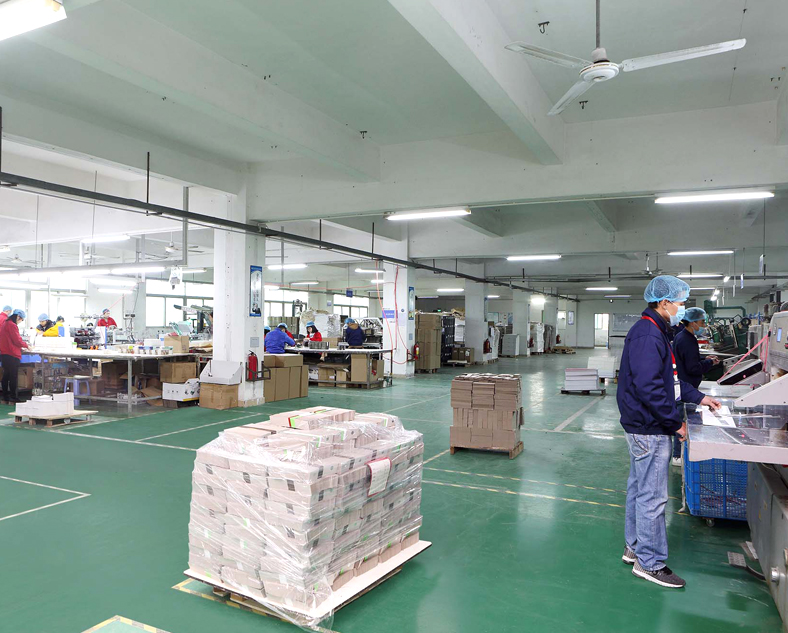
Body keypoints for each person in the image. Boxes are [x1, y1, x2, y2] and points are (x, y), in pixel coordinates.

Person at [617, 275, 721, 589]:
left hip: (644, 424)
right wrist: (676, 424)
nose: (682, 309)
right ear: (664, 302)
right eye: (680, 303)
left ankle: (635, 547)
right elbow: (649, 388)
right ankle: (650, 563)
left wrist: (700, 397)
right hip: (648, 428)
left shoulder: (657, 331)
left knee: (640, 489)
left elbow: (670, 381)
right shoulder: (648, 334)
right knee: (652, 496)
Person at [670, 307, 720, 466]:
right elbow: (692, 367)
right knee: (681, 421)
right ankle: (677, 456)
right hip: (684, 387)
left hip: (685, 385)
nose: (704, 325)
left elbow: (690, 359)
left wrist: (705, 359)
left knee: (681, 419)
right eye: (702, 322)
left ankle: (678, 454)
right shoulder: (687, 340)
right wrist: (709, 363)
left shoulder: (684, 336)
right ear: (692, 323)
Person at [0, 309, 31, 404]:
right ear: (18, 317)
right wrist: (27, 346)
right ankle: (13, 398)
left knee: (6, 375)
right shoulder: (12, 325)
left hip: (4, 353)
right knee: (13, 377)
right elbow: (17, 340)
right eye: (21, 319)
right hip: (12, 354)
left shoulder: (4, 324)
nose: (20, 321)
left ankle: (5, 398)